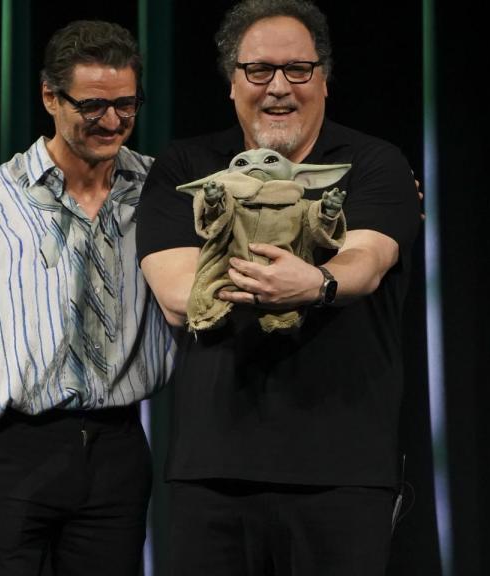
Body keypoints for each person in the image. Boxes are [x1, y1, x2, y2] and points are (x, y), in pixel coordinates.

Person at [135, 0, 422, 574]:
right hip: (212, 469)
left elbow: (365, 261)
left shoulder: (373, 164)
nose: (279, 88)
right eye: (258, 70)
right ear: (232, 82)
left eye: (298, 69)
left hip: (343, 470)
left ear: (323, 78)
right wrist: (283, 281)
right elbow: (176, 293)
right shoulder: (185, 167)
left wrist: (314, 284)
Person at [0, 20, 173, 575]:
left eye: (126, 104)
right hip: (10, 454)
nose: (112, 121)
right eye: (93, 105)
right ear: (50, 96)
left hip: (118, 449)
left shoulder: (161, 193)